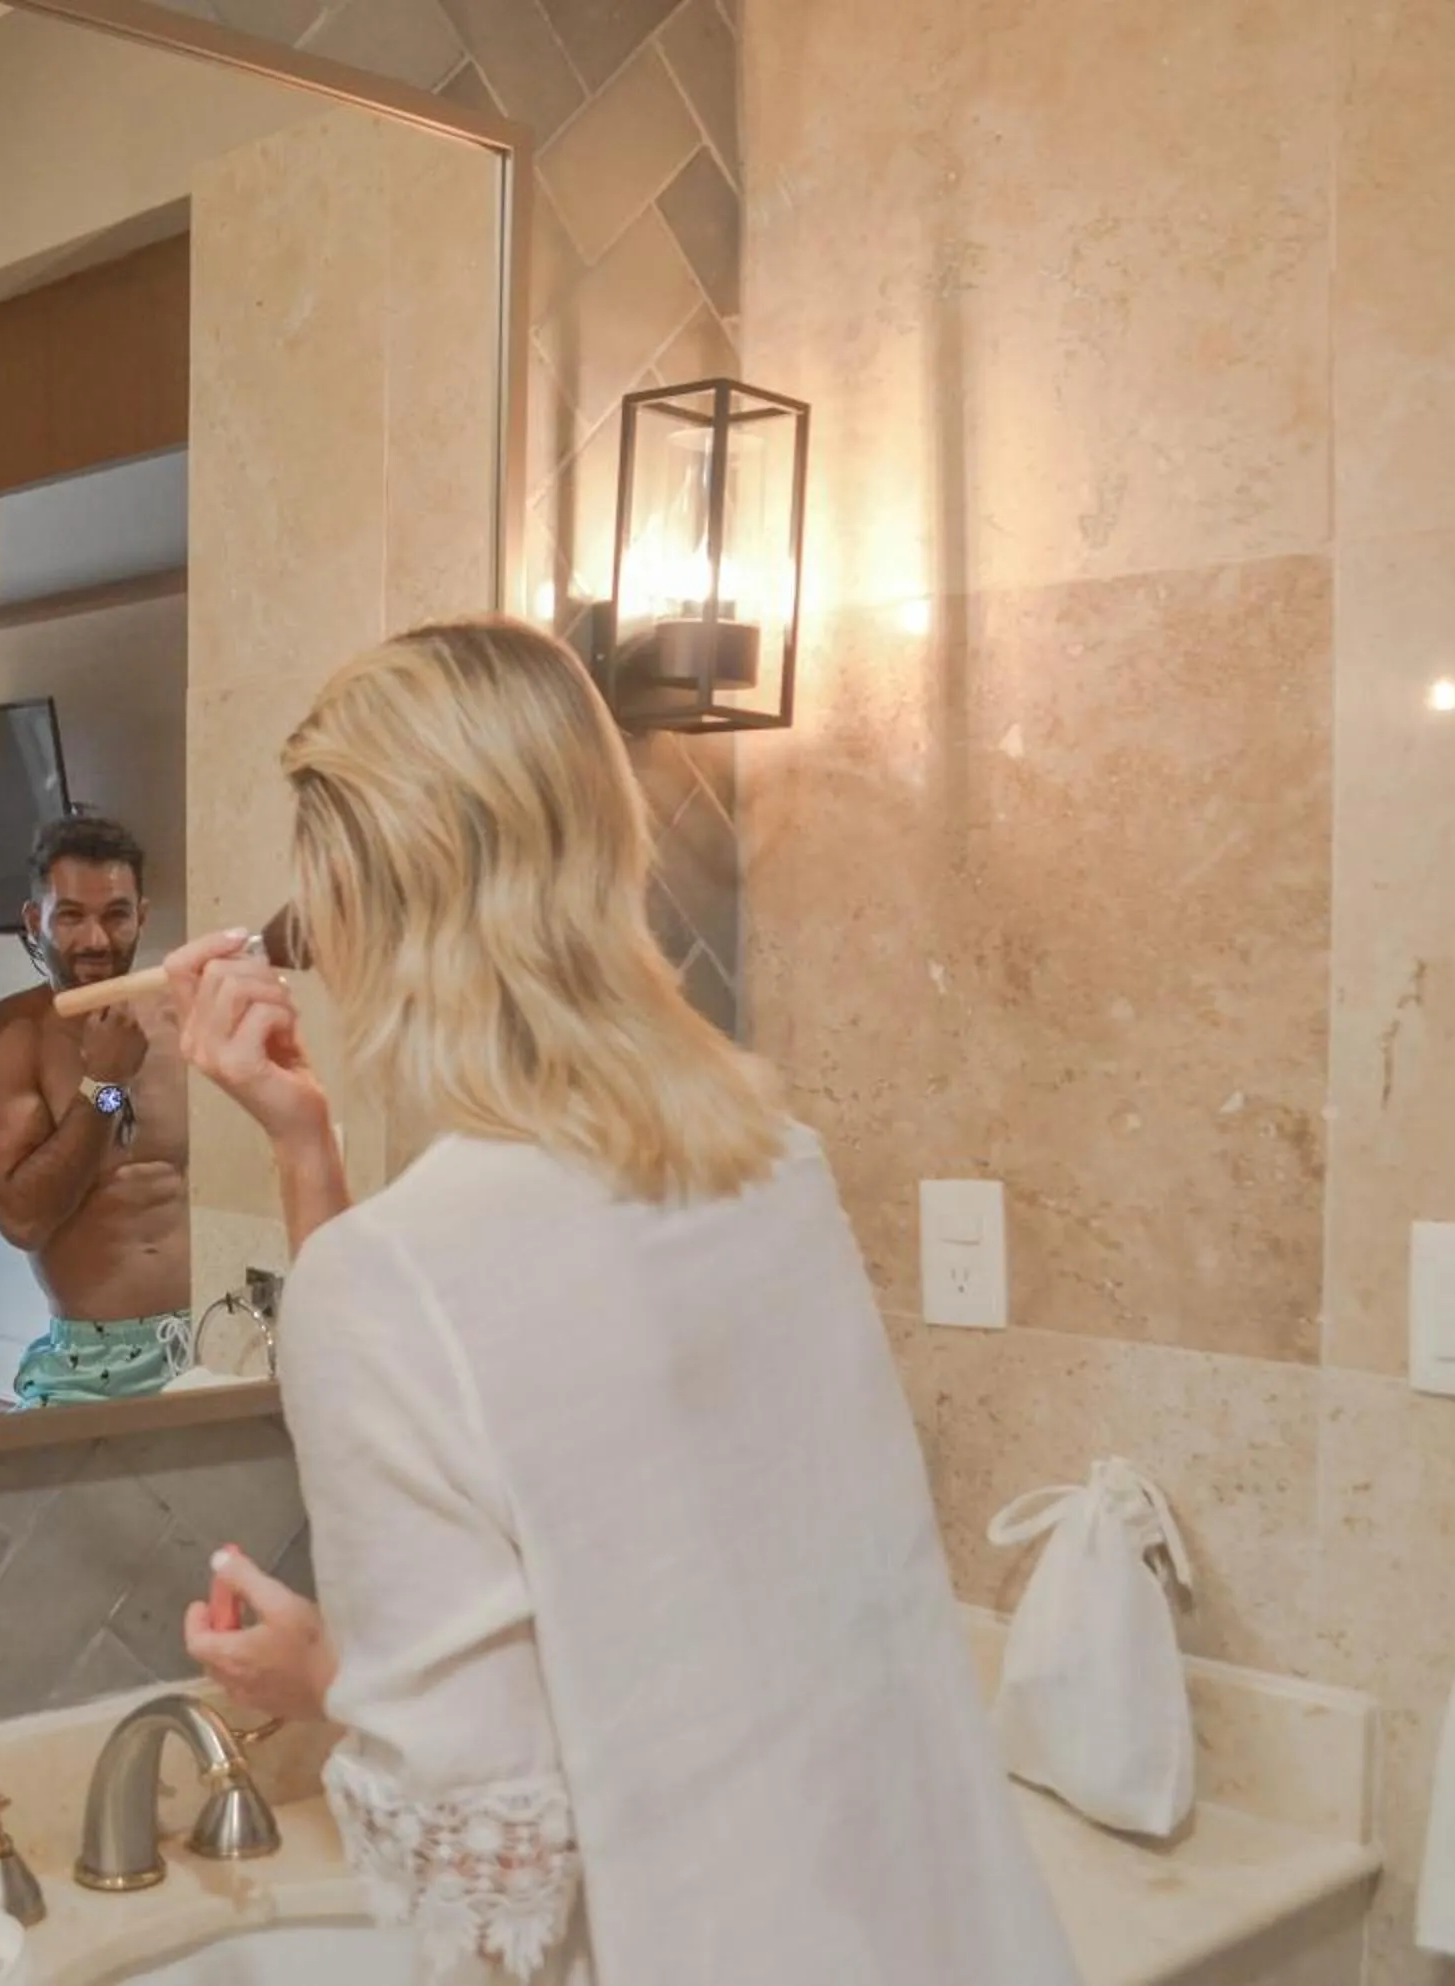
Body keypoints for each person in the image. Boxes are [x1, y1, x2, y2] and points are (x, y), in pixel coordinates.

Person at [166, 620, 1079, 1985]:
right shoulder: (774, 1169)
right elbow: (648, 1594)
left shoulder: (394, 1287)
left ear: (360, 893)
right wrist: (310, 1150)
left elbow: (491, 1902)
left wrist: (358, 1699)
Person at [0, 814, 195, 1405]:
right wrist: (105, 1084)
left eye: (116, 915)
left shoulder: (181, 1019)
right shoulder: (16, 1035)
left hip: (205, 1337)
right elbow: (23, 1219)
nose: (97, 941)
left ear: (141, 917)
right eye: (72, 916)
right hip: (88, 1363)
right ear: (36, 920)